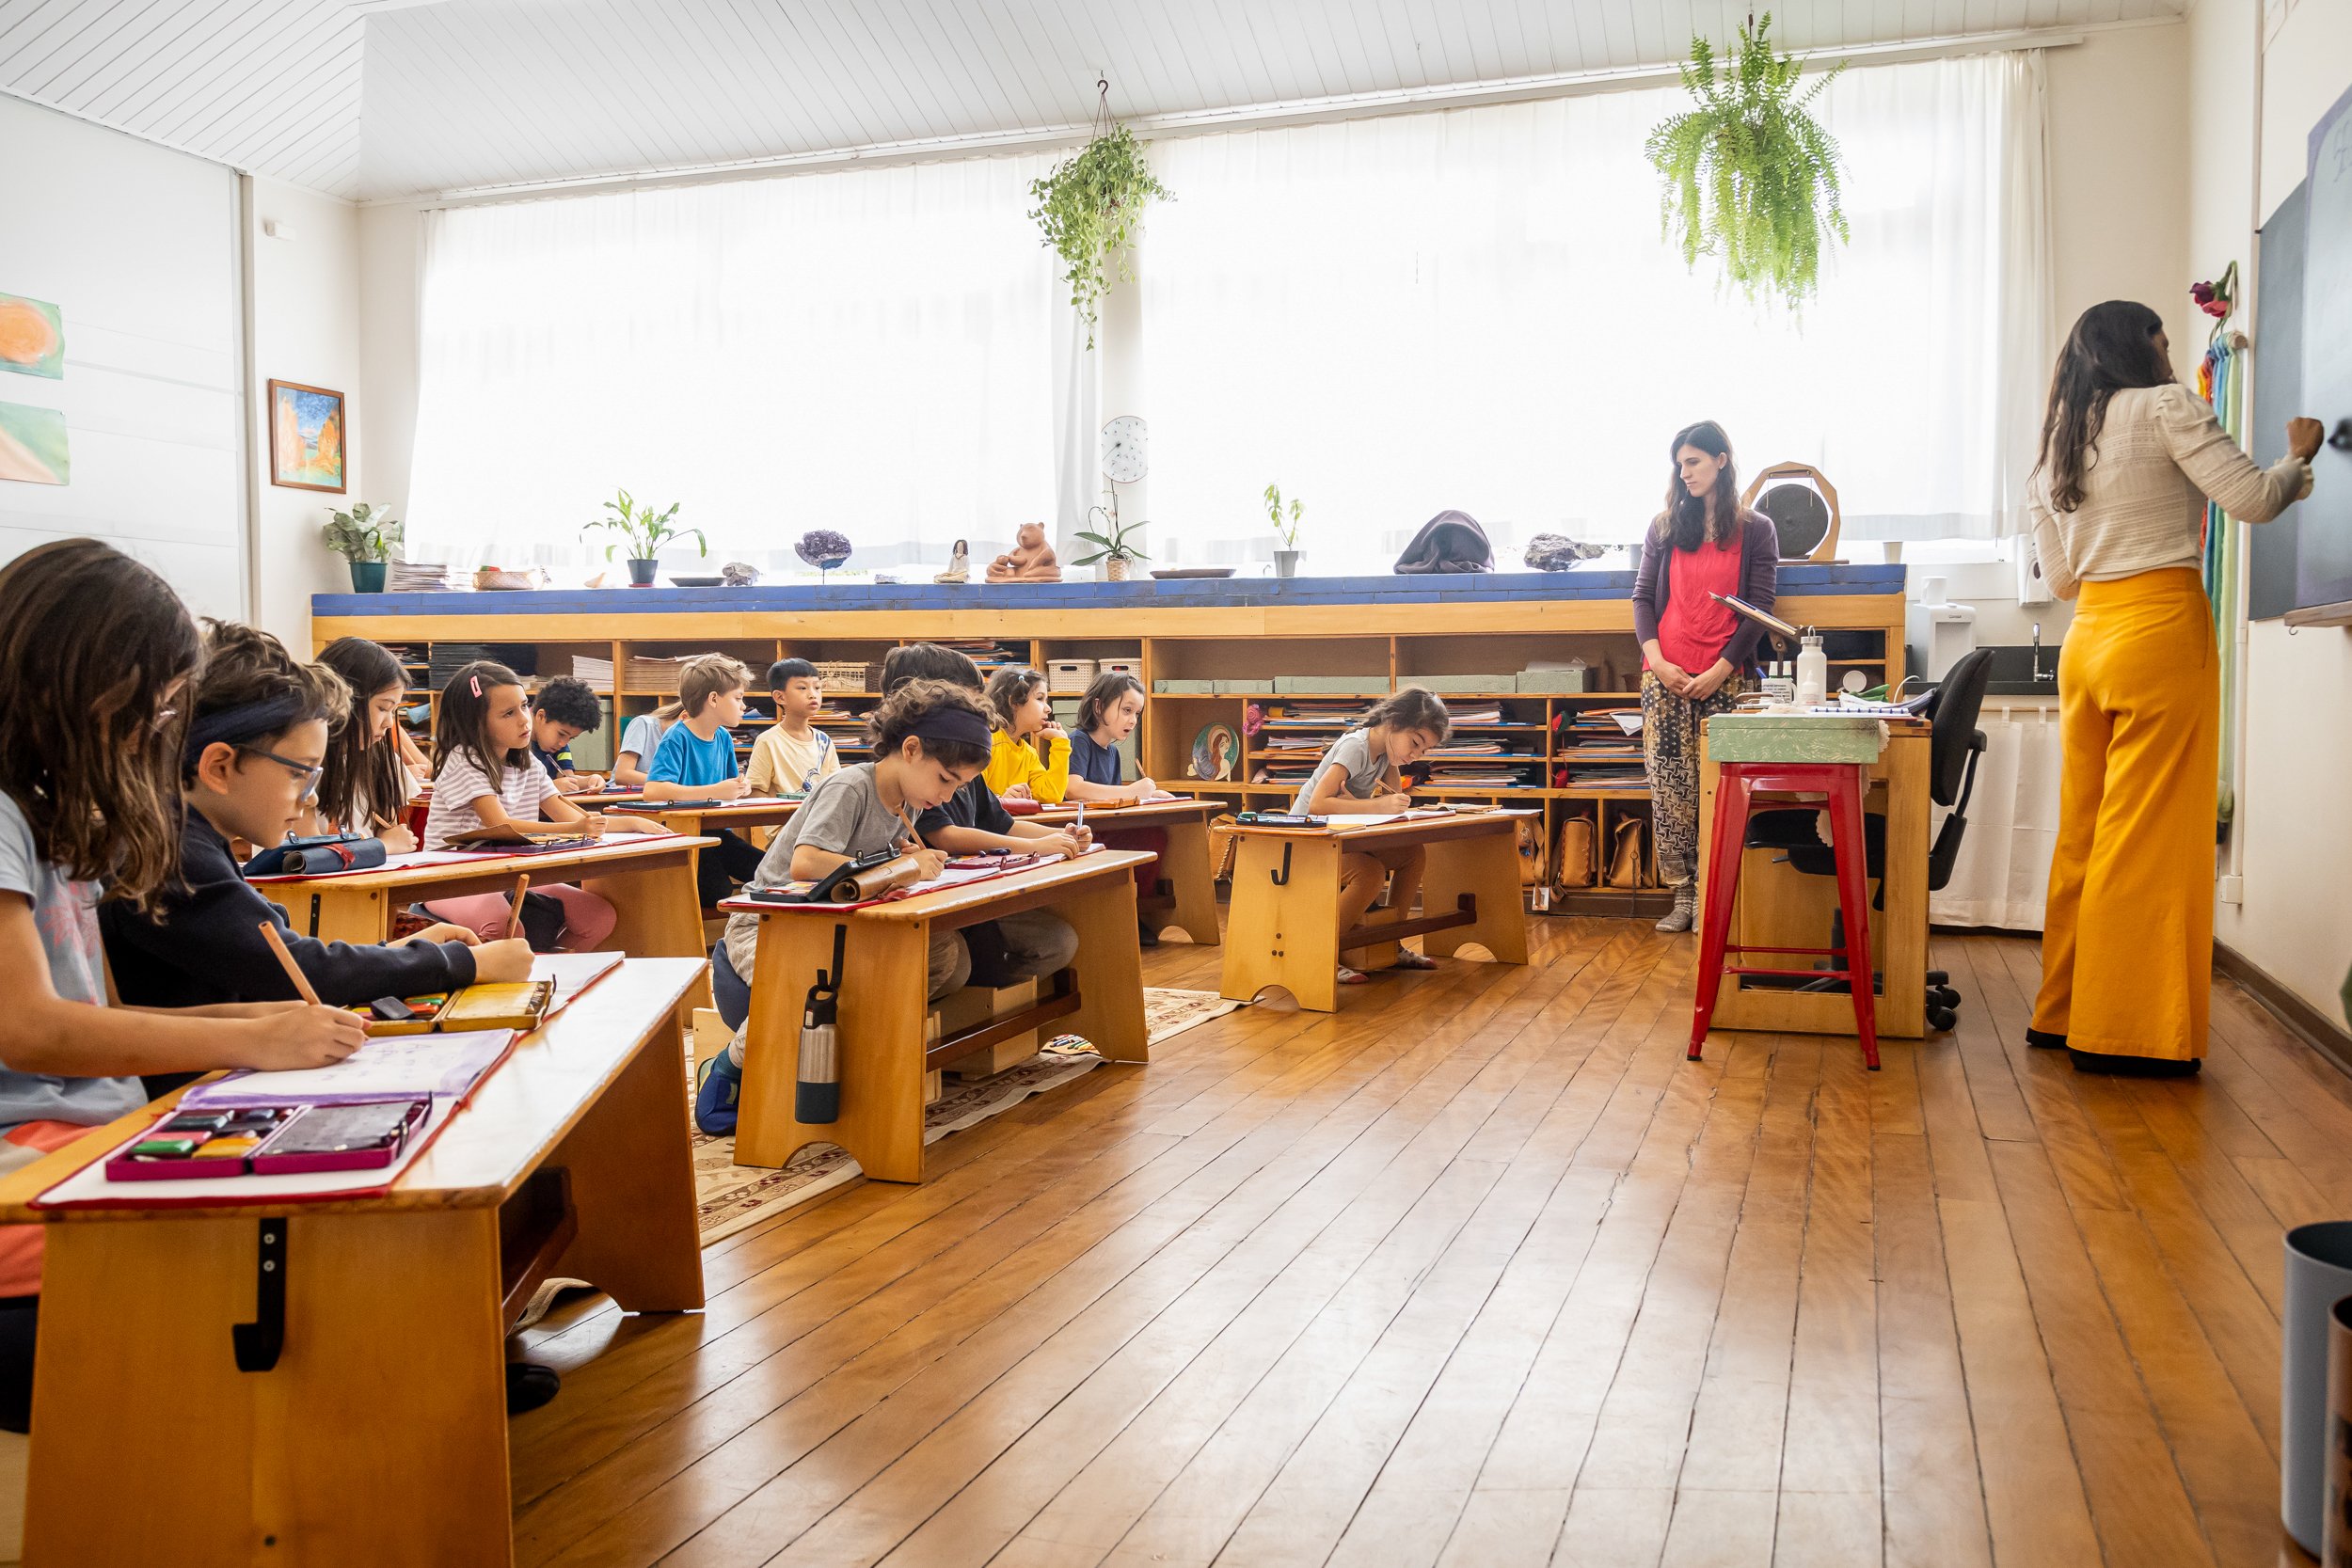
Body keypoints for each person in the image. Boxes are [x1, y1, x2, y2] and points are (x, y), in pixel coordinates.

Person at [0, 541, 365, 1433]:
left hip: (88, 1140)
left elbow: (103, 1017)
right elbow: (30, 1029)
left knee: (341, 1215)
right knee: (311, 1262)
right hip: (32, 1176)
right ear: (85, 682)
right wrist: (246, 1038)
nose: (159, 728)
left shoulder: (50, 812)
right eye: (155, 704)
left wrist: (259, 1016)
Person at [2026, 300, 2323, 1075]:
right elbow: (2254, 498)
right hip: (2159, 634)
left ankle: (2059, 1010)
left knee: (2084, 832)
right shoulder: (2165, 406)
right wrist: (2298, 462)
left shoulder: (2057, 444)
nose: (2169, 350)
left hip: (2087, 641)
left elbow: (2059, 579)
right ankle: (2121, 1028)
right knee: (2145, 836)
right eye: (2162, 338)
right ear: (2137, 344)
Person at [101, 620, 534, 1011]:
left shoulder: (187, 839)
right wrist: (459, 962)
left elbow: (286, 959)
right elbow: (299, 970)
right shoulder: (174, 856)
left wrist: (404, 949)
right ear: (219, 768)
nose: (308, 796)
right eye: (297, 774)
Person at [696, 678, 990, 1133]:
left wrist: (904, 858)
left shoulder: (903, 801)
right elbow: (806, 862)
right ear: (910, 749)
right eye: (946, 780)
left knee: (946, 958)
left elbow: (874, 860)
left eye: (960, 786)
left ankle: (855, 1060)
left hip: (833, 924)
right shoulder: (852, 786)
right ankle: (728, 1066)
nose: (948, 796)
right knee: (799, 994)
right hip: (771, 924)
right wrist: (898, 866)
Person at [1631, 420, 1781, 934]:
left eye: (1693, 461)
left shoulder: (1756, 528)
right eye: (1679, 464)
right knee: (1671, 793)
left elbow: (1759, 607)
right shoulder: (1664, 527)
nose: (1685, 472)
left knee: (1722, 792)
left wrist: (1720, 670)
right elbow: (1642, 599)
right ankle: (1684, 898)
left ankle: (1719, 897)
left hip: (1727, 680)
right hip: (1665, 678)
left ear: (1721, 459)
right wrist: (1658, 661)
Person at [421, 660, 661, 947]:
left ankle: (552, 981)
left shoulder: (528, 763)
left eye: (524, 706)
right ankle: (510, 982)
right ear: (476, 722)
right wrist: (574, 828)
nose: (524, 719)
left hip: (505, 876)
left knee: (598, 917)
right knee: (503, 926)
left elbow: (574, 816)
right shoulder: (465, 760)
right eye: (508, 713)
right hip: (449, 878)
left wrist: (633, 823)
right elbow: (500, 826)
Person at [1294, 688, 1451, 986]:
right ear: (1393, 722)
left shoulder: (1384, 753)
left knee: (1412, 853)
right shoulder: (1356, 747)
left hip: (1339, 839)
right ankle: (1320, 951)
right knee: (1368, 872)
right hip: (1309, 841)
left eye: (1423, 751)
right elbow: (1318, 804)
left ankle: (1391, 943)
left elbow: (1392, 801)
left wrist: (1393, 764)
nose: (1415, 755)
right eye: (1415, 743)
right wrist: (1374, 805)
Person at [644, 654, 765, 904]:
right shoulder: (677, 736)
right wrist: (714, 791)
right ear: (713, 699)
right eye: (738, 698)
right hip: (683, 834)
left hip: (715, 831)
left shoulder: (722, 737)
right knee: (716, 889)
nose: (743, 705)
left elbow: (730, 784)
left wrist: (741, 787)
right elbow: (653, 791)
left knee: (765, 869)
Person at [1066, 672, 1168, 944]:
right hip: (1086, 834)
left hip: (1108, 828)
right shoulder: (1079, 741)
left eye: (1137, 713)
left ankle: (1134, 910)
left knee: (1156, 835)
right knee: (1149, 839)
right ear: (1099, 707)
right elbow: (1072, 788)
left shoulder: (1112, 751)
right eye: (1126, 710)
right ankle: (1128, 913)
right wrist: (1130, 791)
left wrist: (1153, 795)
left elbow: (1114, 801)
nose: (1133, 720)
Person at [311, 636, 422, 849]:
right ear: (344, 700)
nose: (389, 723)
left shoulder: (379, 758)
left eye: (394, 710)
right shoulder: (304, 763)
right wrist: (383, 847)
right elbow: (311, 857)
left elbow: (390, 829)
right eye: (383, 708)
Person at [744, 657, 838, 797]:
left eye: (817, 688)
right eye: (802, 688)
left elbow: (835, 787)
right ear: (780, 697)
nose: (813, 694)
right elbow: (755, 791)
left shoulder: (824, 741)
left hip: (818, 816)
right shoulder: (768, 741)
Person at [983, 666, 1072, 802]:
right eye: (1040, 698)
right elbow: (972, 798)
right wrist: (1000, 800)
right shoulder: (988, 743)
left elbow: (1051, 796)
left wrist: (1060, 743)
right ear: (1014, 702)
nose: (1048, 709)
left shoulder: (1028, 753)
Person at [529, 676, 608, 793]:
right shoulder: (513, 742)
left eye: (571, 738)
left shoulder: (557, 744)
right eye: (561, 734)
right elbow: (507, 790)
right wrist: (550, 787)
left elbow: (567, 779)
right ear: (541, 716)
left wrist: (589, 781)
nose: (563, 743)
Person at [612, 702, 678, 788]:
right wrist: (663, 779)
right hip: (623, 796)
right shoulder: (644, 724)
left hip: (663, 796)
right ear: (684, 716)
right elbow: (622, 775)